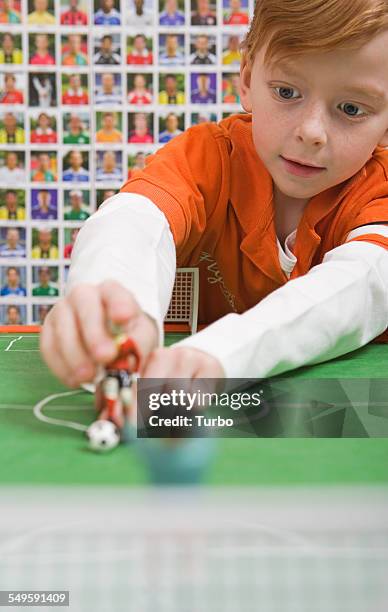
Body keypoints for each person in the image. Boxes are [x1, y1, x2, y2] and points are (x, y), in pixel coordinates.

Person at [41, 0, 388, 390]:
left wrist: (222, 353)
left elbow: (363, 282)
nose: (311, 131)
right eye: (287, 91)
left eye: (351, 108)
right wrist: (111, 302)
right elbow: (134, 220)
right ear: (246, 80)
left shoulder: (380, 190)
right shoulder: (207, 157)